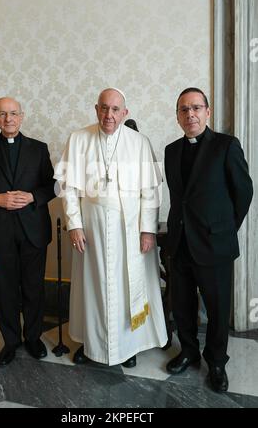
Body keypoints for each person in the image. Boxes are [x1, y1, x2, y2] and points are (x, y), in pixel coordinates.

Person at [54, 88, 167, 367]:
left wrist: (147, 230)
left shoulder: (139, 142)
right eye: (104, 108)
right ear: (96, 109)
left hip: (129, 230)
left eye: (115, 109)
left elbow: (150, 191)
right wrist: (74, 225)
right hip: (91, 230)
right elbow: (68, 189)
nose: (109, 115)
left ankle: (127, 347)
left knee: (127, 286)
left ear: (125, 113)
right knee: (92, 286)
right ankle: (91, 343)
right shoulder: (78, 139)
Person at [164, 87, 253, 392]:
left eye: (196, 108)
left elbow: (244, 192)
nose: (190, 114)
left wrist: (226, 228)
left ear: (208, 112)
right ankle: (188, 351)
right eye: (184, 109)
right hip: (180, 242)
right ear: (177, 116)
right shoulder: (171, 151)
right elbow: (180, 199)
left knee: (216, 308)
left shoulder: (226, 146)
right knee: (183, 305)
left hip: (215, 243)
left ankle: (216, 360)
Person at [0, 97, 55, 367]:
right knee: (6, 290)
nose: (8, 119)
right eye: (2, 114)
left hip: (34, 230)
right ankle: (11, 342)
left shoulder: (39, 149)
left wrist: (31, 196)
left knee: (33, 288)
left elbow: (52, 186)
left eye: (13, 113)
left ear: (22, 116)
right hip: (2, 231)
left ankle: (33, 338)